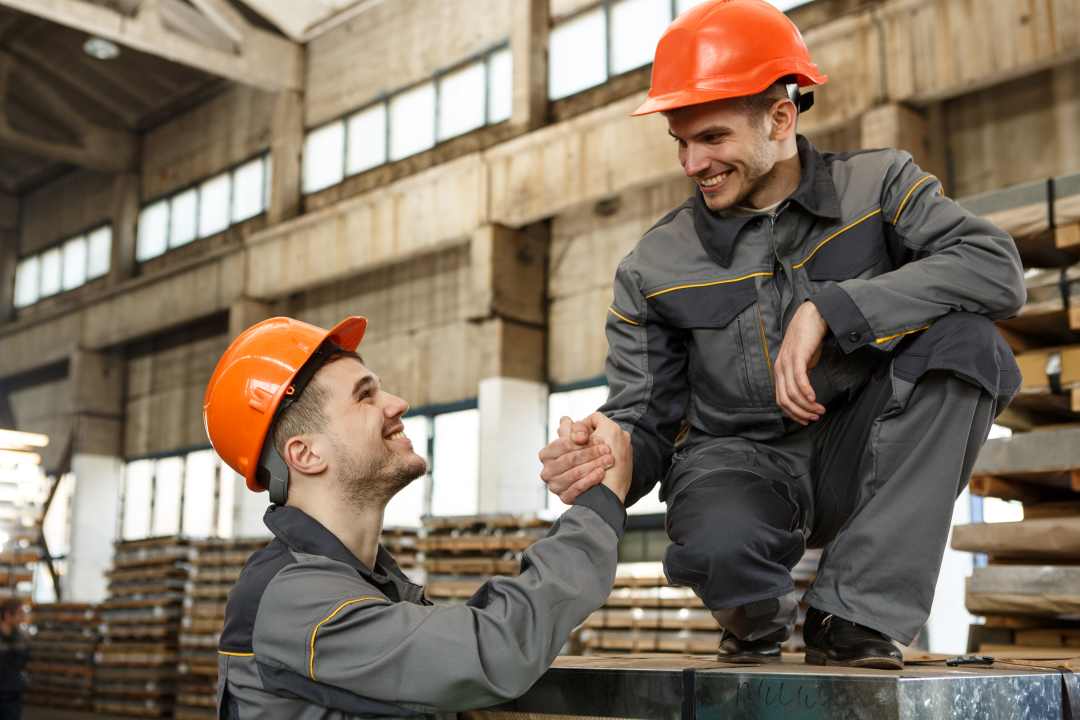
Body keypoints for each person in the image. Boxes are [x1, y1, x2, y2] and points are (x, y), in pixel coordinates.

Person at [539, 0, 1024, 669]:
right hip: (737, 463)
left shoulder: (880, 187)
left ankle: (855, 615)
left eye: (711, 137)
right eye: (680, 141)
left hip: (864, 447)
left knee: (969, 344)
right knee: (718, 545)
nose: (691, 163)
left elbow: (995, 270)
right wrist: (608, 454)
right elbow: (645, 418)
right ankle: (755, 618)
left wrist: (838, 307)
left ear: (781, 116)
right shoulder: (653, 267)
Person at [203, 315, 631, 718]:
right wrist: (598, 506)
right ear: (307, 454)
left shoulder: (364, 585)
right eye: (365, 395)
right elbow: (491, 650)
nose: (397, 403)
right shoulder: (294, 599)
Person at [0, 599, 28, 720]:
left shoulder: (21, 636)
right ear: (7, 615)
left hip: (13, 692)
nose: (23, 617)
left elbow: (22, 662)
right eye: (20, 613)